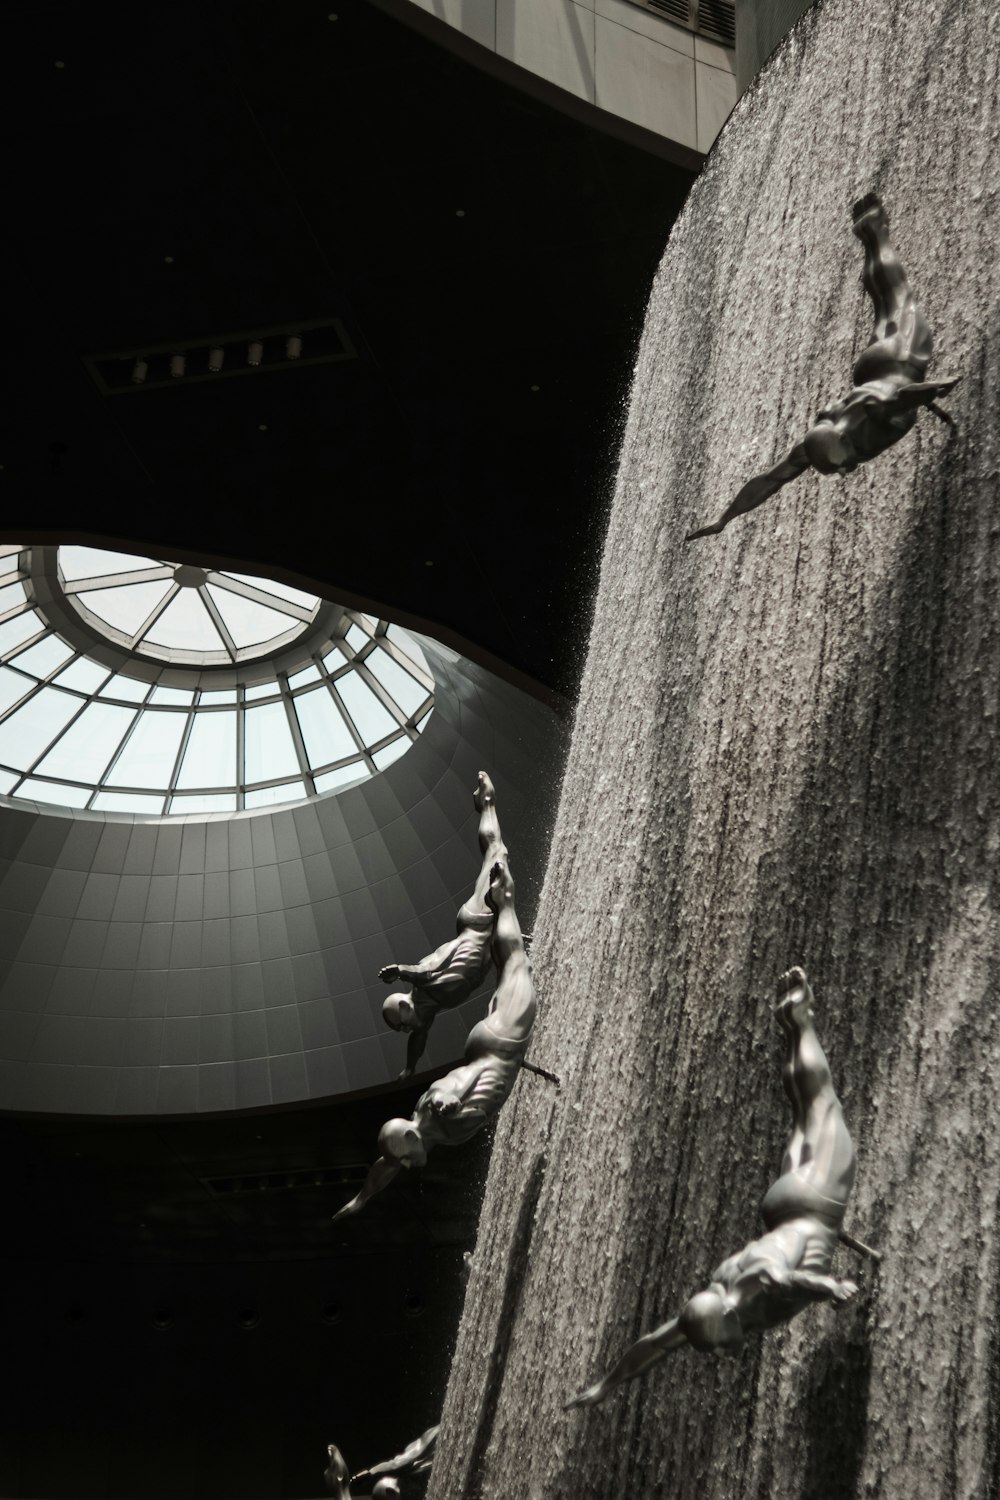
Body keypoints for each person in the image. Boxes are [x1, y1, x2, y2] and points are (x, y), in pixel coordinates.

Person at [567, 967, 857, 1409]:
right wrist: (606, 1385)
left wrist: (830, 1287)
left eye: (718, 1343)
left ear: (724, 1316)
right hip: (786, 1205)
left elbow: (784, 1278)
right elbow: (654, 1344)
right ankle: (794, 1026)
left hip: (817, 1203)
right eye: (715, 1349)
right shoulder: (712, 1304)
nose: (722, 1354)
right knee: (805, 1109)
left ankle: (800, 1021)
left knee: (821, 1103)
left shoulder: (754, 1284)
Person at [686, 193, 959, 541]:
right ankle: (871, 235)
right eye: (839, 468)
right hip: (873, 368)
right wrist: (724, 519)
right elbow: (770, 480)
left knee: (897, 295)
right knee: (884, 298)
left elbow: (903, 396)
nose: (846, 471)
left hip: (902, 357)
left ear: (844, 437)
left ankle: (876, 230)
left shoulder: (869, 414)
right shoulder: (816, 445)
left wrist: (936, 388)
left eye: (843, 462)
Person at [333, 855, 534, 1220]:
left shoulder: (436, 1112)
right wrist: (362, 1198)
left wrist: (449, 1099)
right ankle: (501, 917)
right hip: (489, 1046)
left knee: (516, 961)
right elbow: (387, 1164)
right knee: (510, 965)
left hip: (498, 1044)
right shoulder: (418, 1128)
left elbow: (454, 1085)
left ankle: (502, 901)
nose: (407, 1166)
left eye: (404, 1159)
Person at [380, 771, 506, 1078]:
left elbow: (422, 973)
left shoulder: (424, 985)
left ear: (406, 1010)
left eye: (402, 1025)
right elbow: (418, 1038)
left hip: (478, 921)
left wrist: (400, 970)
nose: (407, 1030)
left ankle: (485, 803)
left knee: (496, 851)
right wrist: (410, 1067)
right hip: (491, 943)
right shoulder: (426, 1014)